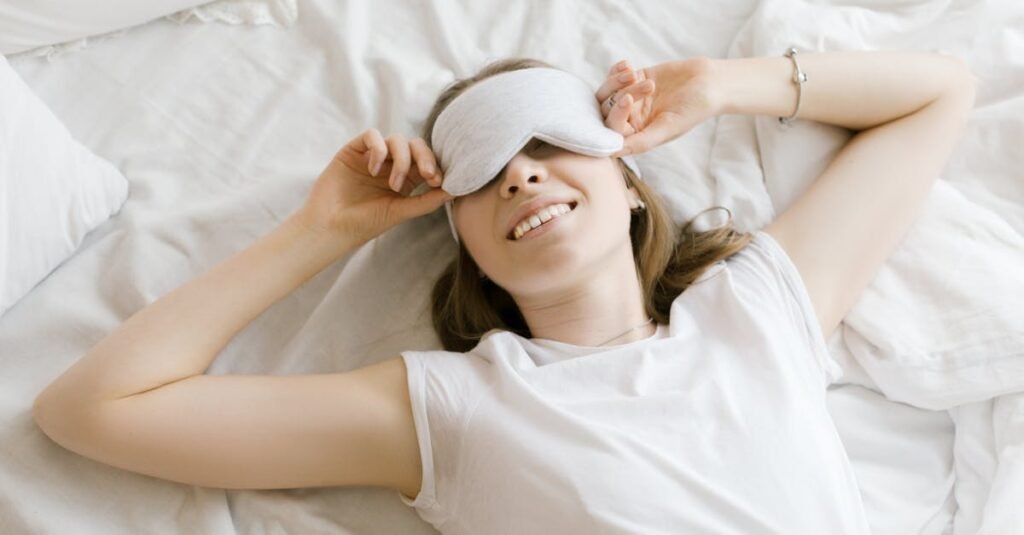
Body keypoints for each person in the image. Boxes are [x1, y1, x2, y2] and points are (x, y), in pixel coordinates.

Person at [33, 50, 975, 533]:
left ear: (631, 184)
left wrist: (720, 85)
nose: (521, 176)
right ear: (468, 248)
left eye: (551, 144)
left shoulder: (755, 307)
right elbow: (89, 408)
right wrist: (324, 231)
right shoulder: (463, 405)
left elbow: (939, 91)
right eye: (481, 173)